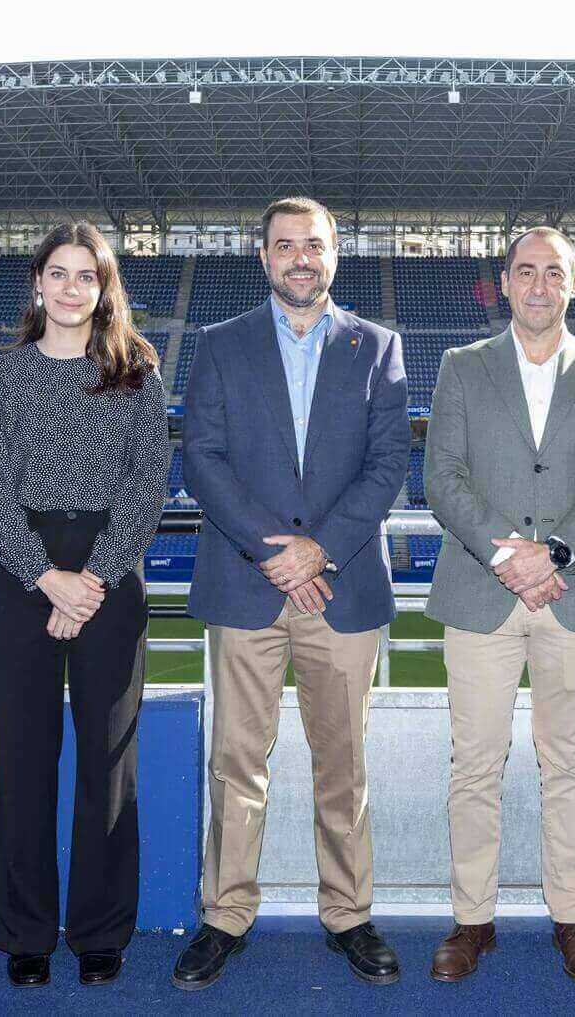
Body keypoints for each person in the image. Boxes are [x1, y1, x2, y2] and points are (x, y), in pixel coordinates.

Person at [171, 197, 409, 990]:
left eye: (313, 244)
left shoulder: (376, 346)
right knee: (236, 760)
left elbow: (385, 467)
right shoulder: (220, 344)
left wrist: (320, 552)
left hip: (340, 588)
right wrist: (277, 554)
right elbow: (201, 459)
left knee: (343, 765)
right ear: (262, 256)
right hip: (248, 584)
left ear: (334, 253)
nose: (299, 258)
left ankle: (348, 910)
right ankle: (224, 912)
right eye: (284, 246)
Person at [422, 226, 575, 985]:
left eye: (554, 272)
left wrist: (555, 554)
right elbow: (441, 476)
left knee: (566, 763)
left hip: (572, 590)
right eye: (525, 271)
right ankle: (471, 920)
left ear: (573, 284)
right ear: (504, 283)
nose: (539, 285)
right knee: (475, 763)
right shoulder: (462, 366)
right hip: (481, 589)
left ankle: (570, 920)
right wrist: (506, 552)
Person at [0, 222, 170, 989]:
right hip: (22, 575)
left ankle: (98, 930)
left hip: (108, 578)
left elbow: (145, 489)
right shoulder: (4, 373)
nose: (70, 287)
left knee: (107, 762)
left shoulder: (136, 375)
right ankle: (24, 932)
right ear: (37, 284)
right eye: (58, 272)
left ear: (103, 288)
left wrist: (90, 578)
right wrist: (43, 576)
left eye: (86, 276)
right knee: (20, 761)